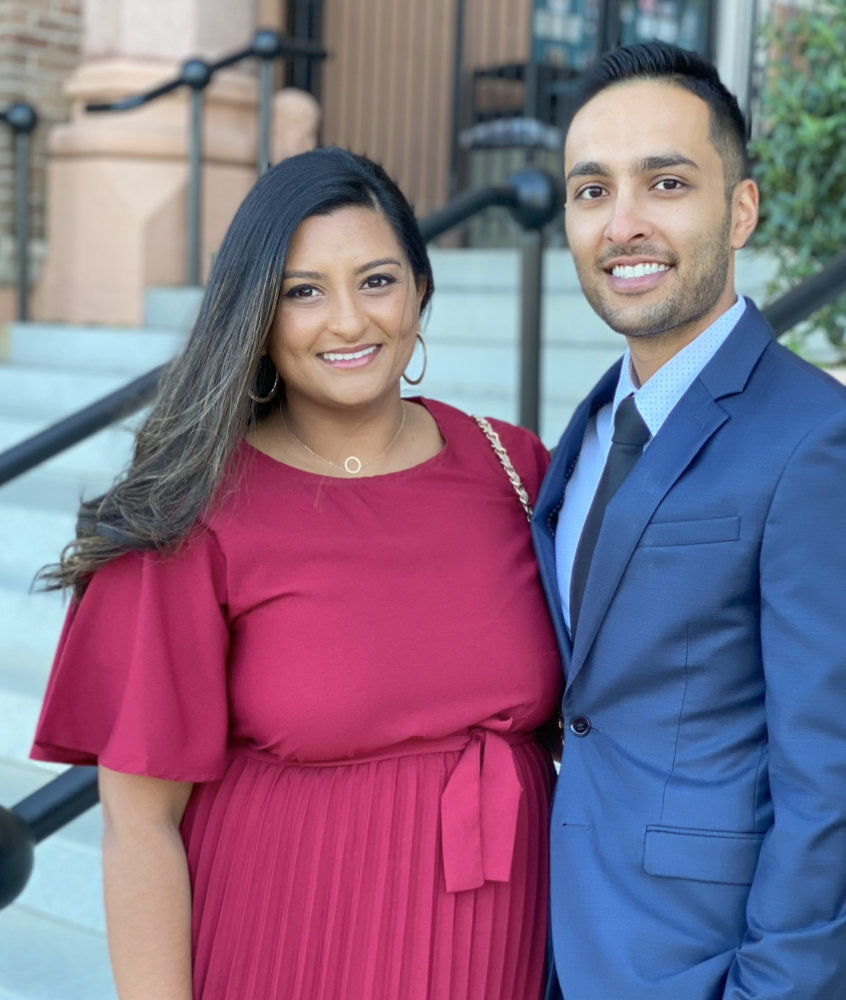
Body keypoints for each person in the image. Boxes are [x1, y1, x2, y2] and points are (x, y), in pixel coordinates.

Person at [31, 146, 563, 1000]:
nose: (348, 321)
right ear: (258, 316)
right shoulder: (193, 514)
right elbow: (140, 828)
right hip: (286, 949)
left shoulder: (515, 466)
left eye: (377, 281)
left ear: (421, 291)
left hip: (498, 950)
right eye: (303, 292)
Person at [531, 42, 846, 1000]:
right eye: (592, 191)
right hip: (571, 947)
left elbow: (842, 789)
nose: (623, 223)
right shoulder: (588, 431)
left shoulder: (829, 446)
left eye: (666, 183)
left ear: (740, 210)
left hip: (719, 968)